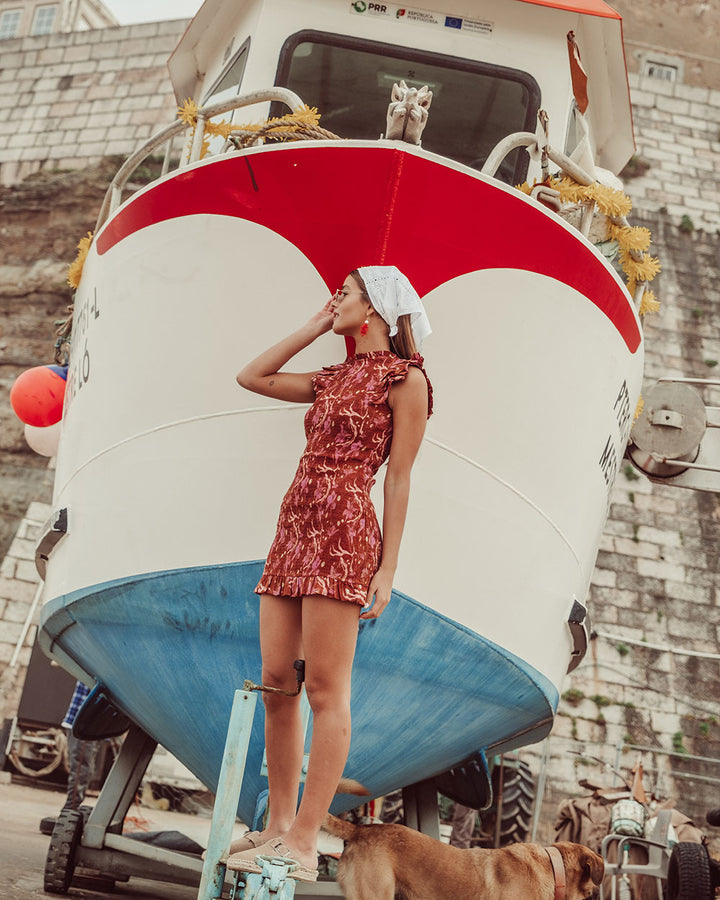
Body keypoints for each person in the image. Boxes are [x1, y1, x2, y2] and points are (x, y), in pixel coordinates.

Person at [227, 266, 433, 882]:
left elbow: (398, 480)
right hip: (294, 524)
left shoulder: (407, 380)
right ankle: (276, 826)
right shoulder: (332, 377)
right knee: (275, 681)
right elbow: (252, 376)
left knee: (324, 690)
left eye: (344, 295)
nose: (334, 300)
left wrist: (387, 568)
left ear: (373, 310)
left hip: (345, 532)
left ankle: (304, 840)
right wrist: (316, 325)